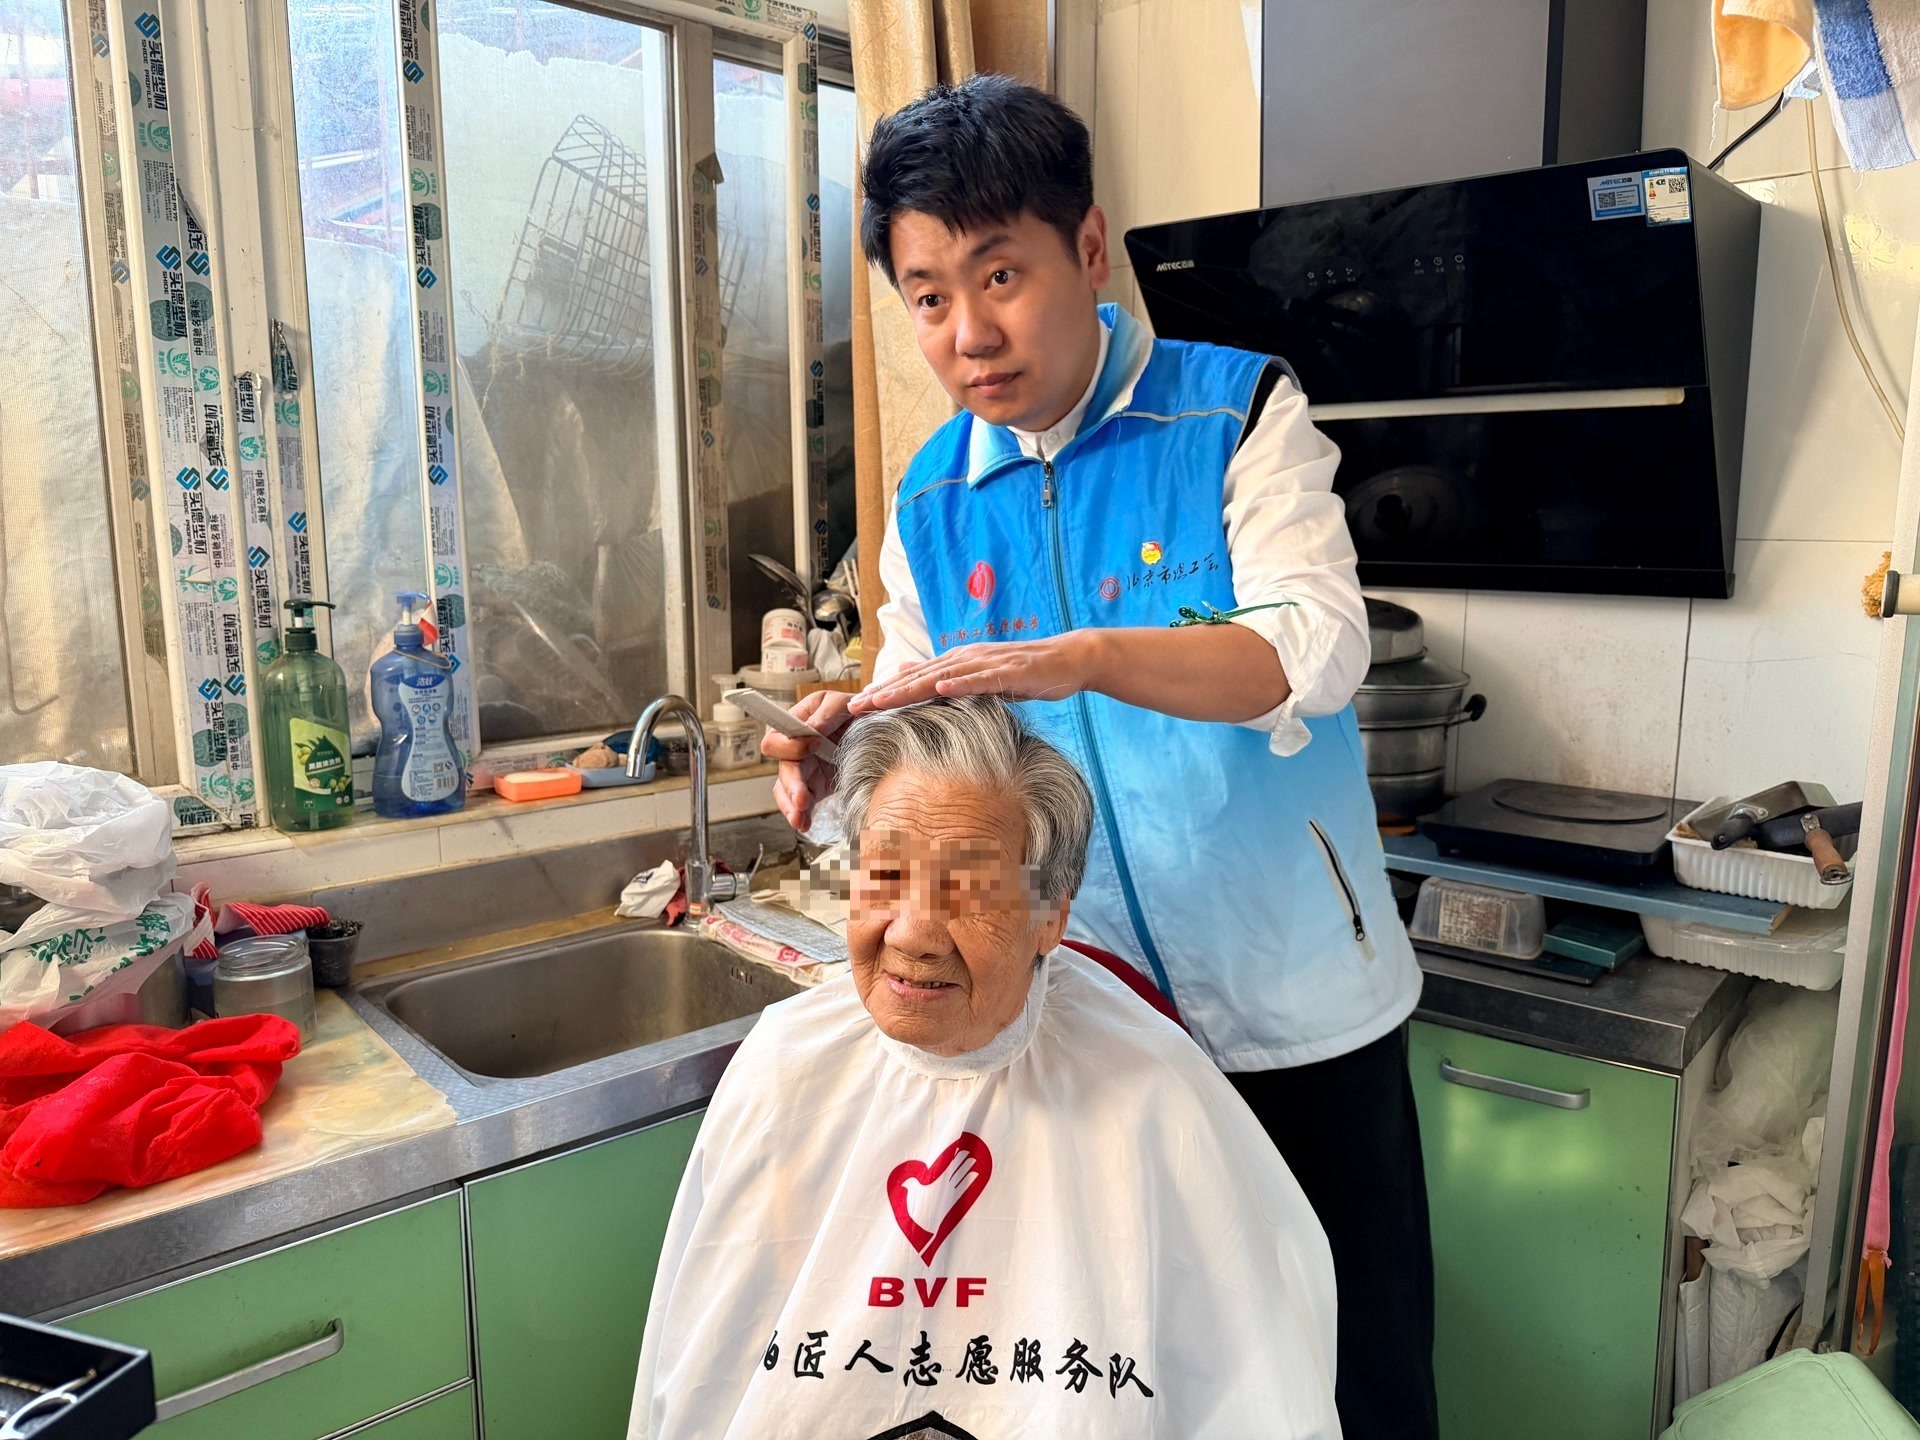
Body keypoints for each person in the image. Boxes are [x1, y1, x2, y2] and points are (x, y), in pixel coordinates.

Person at [763, 75, 1437, 1437]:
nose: (968, 334)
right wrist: (845, 762)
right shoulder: (933, 499)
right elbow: (927, 728)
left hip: (1295, 1006)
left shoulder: (1234, 412)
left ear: (1085, 249)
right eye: (928, 297)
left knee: (1352, 1375)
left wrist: (1088, 656)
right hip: (1092, 1024)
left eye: (999, 276)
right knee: (1141, 1380)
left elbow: (1313, 644)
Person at [630, 697, 1340, 1439]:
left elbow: (1259, 1403)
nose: (914, 935)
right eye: (885, 874)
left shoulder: (1158, 1096)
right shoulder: (784, 1068)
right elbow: (690, 1376)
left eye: (968, 890)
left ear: (1051, 917)